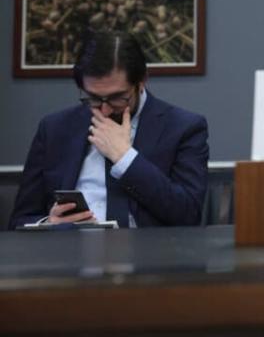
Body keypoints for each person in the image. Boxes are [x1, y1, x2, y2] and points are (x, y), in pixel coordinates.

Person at [8, 32, 209, 228]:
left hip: (148, 256)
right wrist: (49, 224)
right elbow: (19, 220)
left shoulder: (184, 127)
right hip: (69, 253)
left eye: (117, 98)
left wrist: (125, 158)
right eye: (93, 98)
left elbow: (188, 214)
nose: (104, 110)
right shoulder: (54, 129)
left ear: (142, 82)